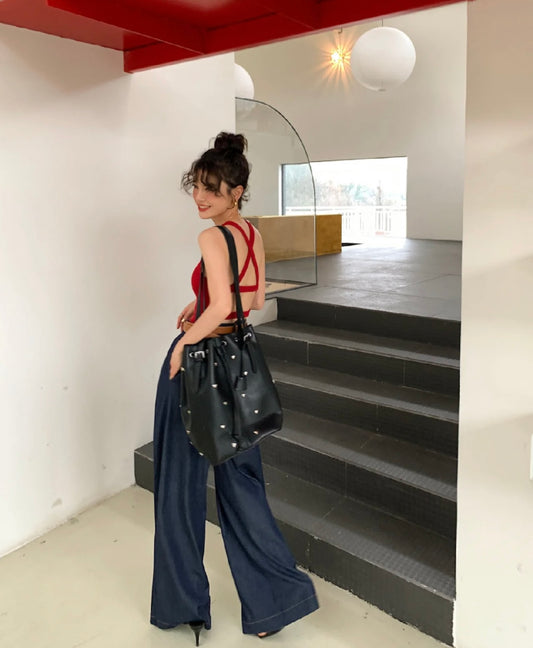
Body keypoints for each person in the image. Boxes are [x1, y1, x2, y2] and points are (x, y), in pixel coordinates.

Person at [150, 132, 319, 645]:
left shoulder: (210, 238)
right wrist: (199, 301)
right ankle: (273, 605)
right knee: (242, 483)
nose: (200, 198)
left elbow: (224, 305)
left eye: (212, 189)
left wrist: (185, 342)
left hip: (198, 366)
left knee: (178, 485)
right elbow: (254, 299)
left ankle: (183, 605)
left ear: (236, 191)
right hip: (236, 365)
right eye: (197, 187)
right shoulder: (251, 233)